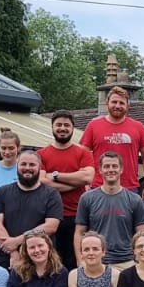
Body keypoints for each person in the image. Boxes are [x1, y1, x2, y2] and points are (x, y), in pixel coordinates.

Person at [39, 111, 96, 267]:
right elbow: (42, 183)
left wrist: (55, 176)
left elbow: (87, 178)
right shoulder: (41, 154)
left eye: (66, 125)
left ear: (72, 128)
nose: (62, 128)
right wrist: (75, 181)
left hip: (77, 216)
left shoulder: (83, 153)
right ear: (52, 127)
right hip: (49, 216)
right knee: (51, 262)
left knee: (75, 261)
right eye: (59, 125)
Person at [75, 151, 144, 268]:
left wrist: (139, 262)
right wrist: (80, 260)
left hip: (126, 262)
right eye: (106, 166)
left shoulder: (135, 200)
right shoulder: (87, 198)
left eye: (115, 166)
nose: (111, 170)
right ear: (100, 170)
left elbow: (141, 235)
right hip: (95, 261)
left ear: (121, 169)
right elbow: (79, 232)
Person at [0, 150, 61, 268]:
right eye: (23, 164)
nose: (27, 168)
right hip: (8, 260)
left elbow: (51, 226)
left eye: (32, 165)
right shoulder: (3, 192)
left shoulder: (51, 194)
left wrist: (18, 241)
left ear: (39, 167)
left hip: (41, 260)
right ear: (17, 165)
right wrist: (13, 252)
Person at [79, 86, 144, 190]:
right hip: (98, 187)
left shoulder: (138, 127)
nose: (117, 106)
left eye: (121, 103)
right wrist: (85, 184)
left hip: (129, 188)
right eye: (114, 102)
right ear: (107, 103)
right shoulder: (93, 126)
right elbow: (82, 156)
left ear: (128, 105)